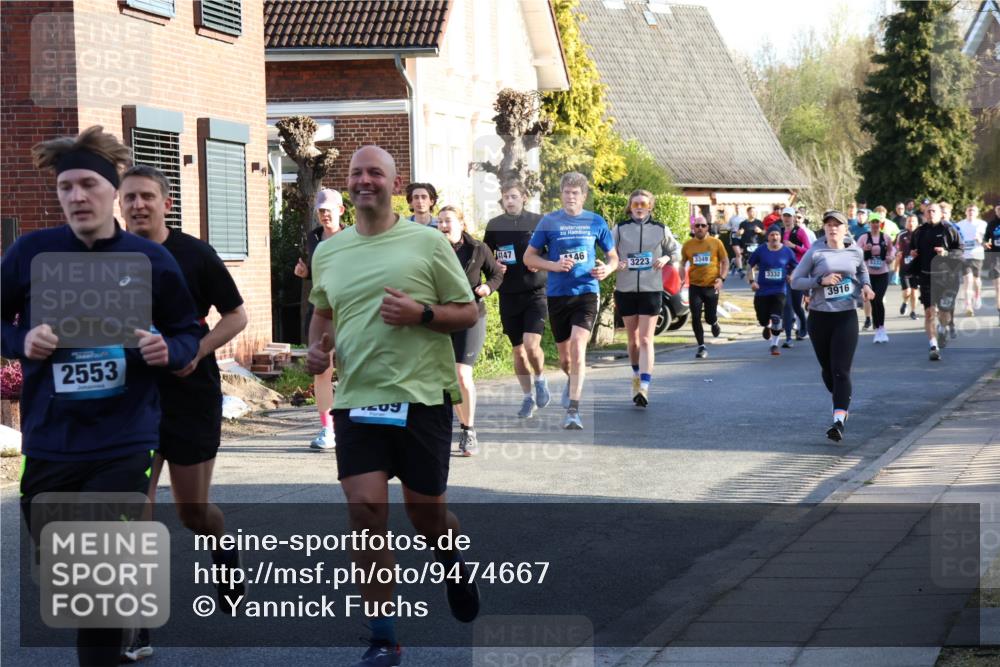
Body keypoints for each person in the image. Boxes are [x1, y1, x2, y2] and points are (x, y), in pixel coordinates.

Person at [2, 126, 202, 667]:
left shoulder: (149, 260)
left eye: (88, 184)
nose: (76, 196)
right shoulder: (31, 252)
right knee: (65, 569)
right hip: (50, 439)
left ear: (114, 191)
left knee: (97, 570)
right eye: (65, 187)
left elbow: (188, 330)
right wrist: (21, 338)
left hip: (126, 437)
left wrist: (171, 348)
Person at [306, 145, 480, 666]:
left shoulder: (426, 243)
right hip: (358, 399)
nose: (364, 181)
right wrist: (318, 348)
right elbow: (323, 315)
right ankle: (384, 636)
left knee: (425, 514)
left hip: (421, 397)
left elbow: (467, 311)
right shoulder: (328, 252)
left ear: (394, 182)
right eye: (356, 173)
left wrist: (421, 312)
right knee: (365, 513)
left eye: (374, 173)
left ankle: (451, 558)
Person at [120, 164, 249, 661]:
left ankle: (223, 551)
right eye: (129, 198)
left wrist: (198, 349)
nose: (137, 205)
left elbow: (236, 314)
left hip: (190, 393)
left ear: (165, 202)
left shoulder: (194, 253)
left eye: (146, 197)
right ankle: (137, 625)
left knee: (192, 512)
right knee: (135, 512)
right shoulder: (108, 256)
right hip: (132, 399)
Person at [524, 172, 617, 429]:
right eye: (566, 192)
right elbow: (529, 258)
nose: (570, 197)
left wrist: (607, 270)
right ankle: (571, 378)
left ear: (583, 196)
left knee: (578, 347)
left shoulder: (595, 222)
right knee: (566, 359)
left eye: (575, 193)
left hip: (586, 292)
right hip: (557, 295)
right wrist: (553, 265)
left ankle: (574, 411)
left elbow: (613, 257)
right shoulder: (549, 222)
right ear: (561, 194)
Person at [790, 210, 875, 442]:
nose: (832, 228)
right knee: (828, 371)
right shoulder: (815, 252)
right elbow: (796, 281)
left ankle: (838, 419)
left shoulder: (855, 252)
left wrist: (866, 287)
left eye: (837, 224)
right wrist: (820, 281)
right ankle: (841, 398)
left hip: (846, 316)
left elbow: (862, 272)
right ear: (824, 229)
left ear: (845, 228)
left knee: (841, 370)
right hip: (819, 317)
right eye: (828, 224)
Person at [437, 205, 503, 455]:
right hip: (443, 317)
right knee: (450, 377)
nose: (443, 225)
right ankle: (463, 427)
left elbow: (496, 274)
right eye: (440, 221)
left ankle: (469, 429)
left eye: (448, 221)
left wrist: (488, 288)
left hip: (471, 316)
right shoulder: (433, 249)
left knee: (462, 375)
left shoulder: (477, 249)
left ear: (461, 224)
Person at [483, 180, 551, 418]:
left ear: (524, 197)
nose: (509, 201)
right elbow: (485, 256)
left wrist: (540, 263)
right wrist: (495, 265)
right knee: (518, 351)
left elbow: (553, 251)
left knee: (532, 346)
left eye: (513, 196)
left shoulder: (539, 221)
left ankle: (541, 379)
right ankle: (527, 397)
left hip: (535, 292)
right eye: (505, 197)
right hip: (508, 295)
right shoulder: (494, 225)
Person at [613, 189, 680, 405]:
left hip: (651, 289)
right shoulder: (621, 229)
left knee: (645, 339)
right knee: (632, 340)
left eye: (643, 203)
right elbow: (609, 252)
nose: (640, 207)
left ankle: (644, 386)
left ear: (650, 206)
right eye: (635, 204)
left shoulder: (660, 229)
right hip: (625, 289)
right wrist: (617, 263)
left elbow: (676, 251)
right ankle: (635, 375)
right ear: (630, 206)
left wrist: (666, 257)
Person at [293, 188, 346, 450]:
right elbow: (318, 272)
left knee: (350, 368)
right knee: (322, 369)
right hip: (321, 309)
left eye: (328, 210)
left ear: (341, 211)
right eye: (320, 211)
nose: (324, 215)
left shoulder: (354, 237)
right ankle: (328, 429)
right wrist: (305, 273)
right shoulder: (313, 237)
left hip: (348, 309)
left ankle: (353, 424)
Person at [907, 202, 962, 361]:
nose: (931, 213)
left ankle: (943, 329)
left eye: (934, 211)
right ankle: (933, 345)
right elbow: (912, 252)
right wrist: (913, 254)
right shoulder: (919, 232)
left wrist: (946, 252)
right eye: (928, 211)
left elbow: (960, 251)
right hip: (926, 276)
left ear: (940, 213)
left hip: (946, 278)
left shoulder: (949, 230)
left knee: (945, 312)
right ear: (925, 214)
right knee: (929, 313)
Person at [681, 215, 729, 359]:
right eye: (697, 226)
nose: (700, 228)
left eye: (703, 225)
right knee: (695, 316)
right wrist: (682, 278)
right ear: (693, 228)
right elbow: (682, 263)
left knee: (709, 317)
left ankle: (714, 322)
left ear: (707, 227)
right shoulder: (688, 245)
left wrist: (722, 279)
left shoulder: (716, 242)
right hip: (695, 286)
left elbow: (725, 261)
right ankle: (701, 346)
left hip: (711, 285)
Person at [747, 227, 798, 356]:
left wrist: (791, 276)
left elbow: (796, 266)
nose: (774, 237)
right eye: (772, 235)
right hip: (762, 290)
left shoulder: (787, 251)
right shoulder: (761, 250)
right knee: (763, 318)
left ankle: (774, 345)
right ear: (768, 237)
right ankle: (766, 325)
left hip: (779, 290)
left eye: (777, 235)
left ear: (780, 236)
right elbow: (750, 265)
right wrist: (752, 281)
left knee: (776, 317)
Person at [773, 207, 811, 348]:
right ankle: (788, 337)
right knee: (787, 305)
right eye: (785, 216)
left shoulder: (799, 232)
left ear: (794, 217)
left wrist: (794, 246)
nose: (787, 218)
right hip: (783, 272)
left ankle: (803, 326)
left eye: (789, 216)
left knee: (796, 305)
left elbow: (809, 250)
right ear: (782, 218)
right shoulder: (780, 232)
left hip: (798, 271)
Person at [857, 216, 897, 343]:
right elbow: (856, 252)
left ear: (881, 224)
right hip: (868, 274)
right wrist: (864, 250)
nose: (875, 224)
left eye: (877, 222)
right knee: (872, 300)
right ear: (869, 224)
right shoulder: (863, 238)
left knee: (878, 298)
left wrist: (891, 257)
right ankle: (877, 329)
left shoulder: (885, 237)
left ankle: (881, 328)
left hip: (882, 272)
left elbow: (892, 250)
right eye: (873, 222)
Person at [956, 204, 987, 316]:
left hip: (977, 254)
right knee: (968, 280)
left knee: (976, 280)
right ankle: (968, 304)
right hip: (964, 256)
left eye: (973, 211)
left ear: (977, 213)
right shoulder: (959, 225)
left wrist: (981, 240)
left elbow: (987, 240)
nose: (971, 212)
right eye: (969, 210)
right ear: (965, 212)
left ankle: (977, 295)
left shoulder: (982, 224)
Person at [895, 214, 921, 320]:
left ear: (917, 223)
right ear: (906, 223)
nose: (911, 223)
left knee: (914, 292)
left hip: (917, 269)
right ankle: (905, 302)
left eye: (913, 221)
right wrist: (896, 269)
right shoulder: (901, 235)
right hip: (905, 268)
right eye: (909, 221)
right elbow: (897, 251)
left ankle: (913, 311)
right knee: (907, 292)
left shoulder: (921, 234)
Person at [984, 205, 1000, 324]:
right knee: (998, 287)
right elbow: (986, 239)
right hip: (995, 258)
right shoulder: (991, 224)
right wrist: (985, 244)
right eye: (998, 209)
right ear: (995, 211)